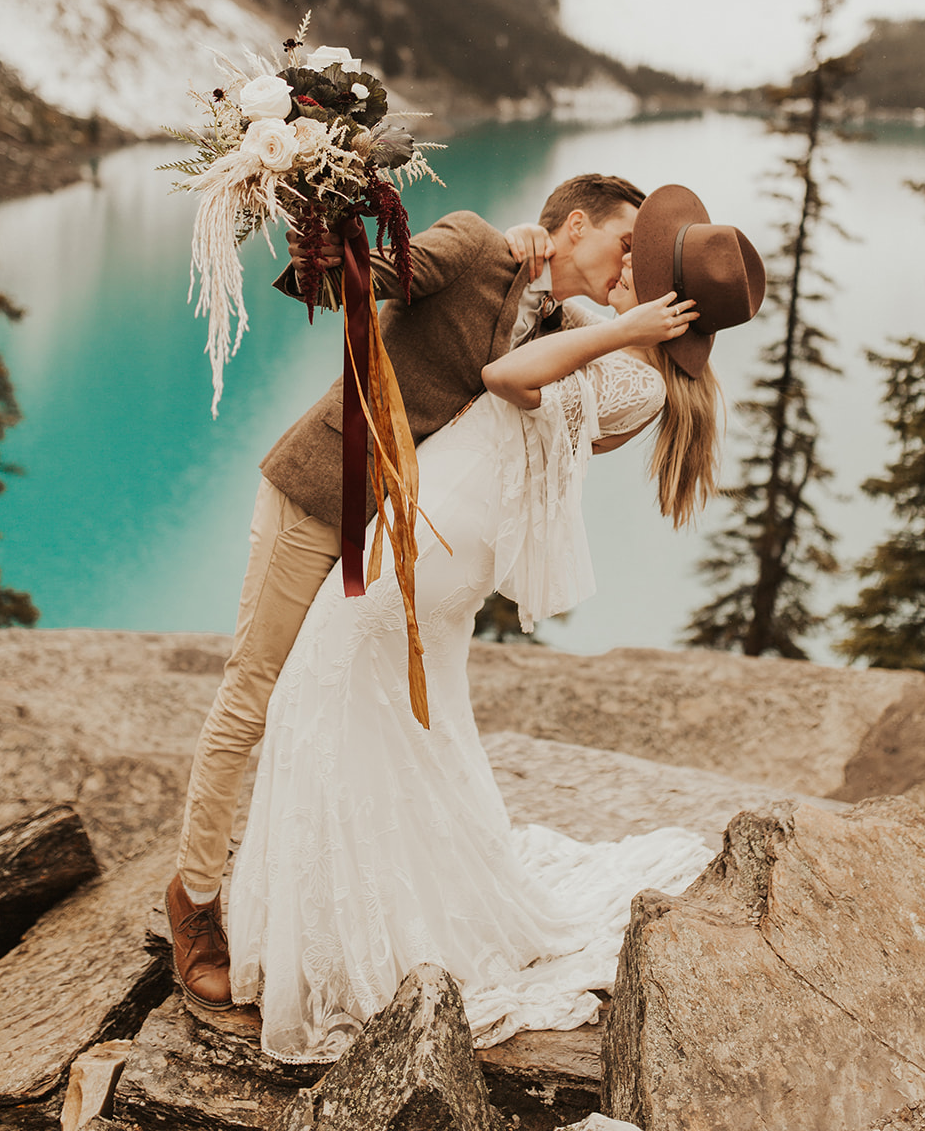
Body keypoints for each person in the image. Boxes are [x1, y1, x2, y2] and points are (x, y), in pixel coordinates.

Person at [225, 184, 766, 1060]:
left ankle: (362, 947)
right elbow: (539, 319)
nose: (624, 265)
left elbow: (503, 376)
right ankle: (405, 911)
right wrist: (539, 258)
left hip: (441, 535)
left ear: (665, 300)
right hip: (449, 530)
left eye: (641, 262)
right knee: (411, 718)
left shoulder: (630, 363)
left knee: (325, 696)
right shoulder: (631, 358)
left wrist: (619, 321)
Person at [166, 173, 647, 1010]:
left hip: (395, 537)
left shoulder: (562, 321)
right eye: (625, 243)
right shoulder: (472, 244)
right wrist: (318, 211)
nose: (626, 264)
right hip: (323, 491)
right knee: (255, 694)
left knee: (349, 711)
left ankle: (312, 903)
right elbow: (349, 282)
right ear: (573, 226)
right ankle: (196, 902)